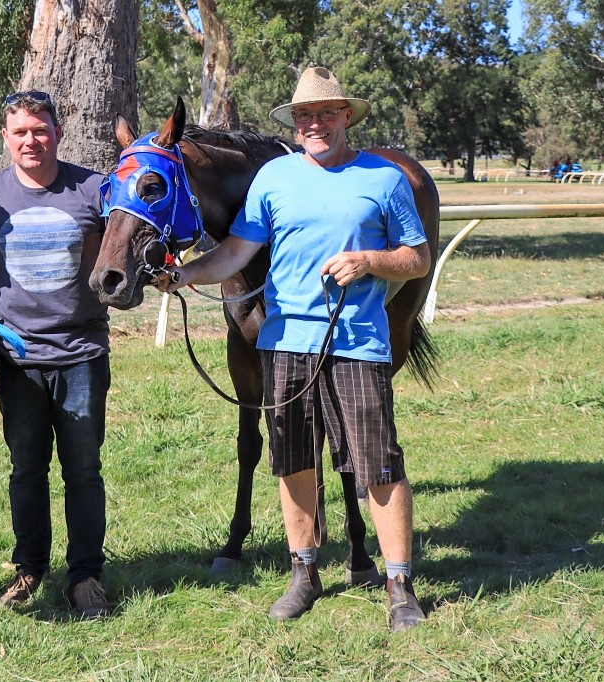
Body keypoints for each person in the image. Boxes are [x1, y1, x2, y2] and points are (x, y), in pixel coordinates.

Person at [158, 67, 430, 632]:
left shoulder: (383, 179)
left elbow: (417, 258)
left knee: (379, 464)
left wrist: (370, 261)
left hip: (357, 342)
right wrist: (183, 278)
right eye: (305, 116)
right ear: (295, 123)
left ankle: (399, 583)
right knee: (293, 462)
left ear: (346, 117)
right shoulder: (274, 178)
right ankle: (304, 573)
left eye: (326, 113)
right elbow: (235, 252)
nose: (315, 124)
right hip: (285, 345)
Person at [0, 90, 112, 619]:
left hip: (81, 353)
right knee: (27, 469)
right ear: (6, 137)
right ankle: (29, 570)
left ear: (57, 133)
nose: (31, 140)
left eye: (40, 129)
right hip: (16, 359)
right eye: (20, 131)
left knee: (84, 468)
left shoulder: (93, 189)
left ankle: (86, 576)